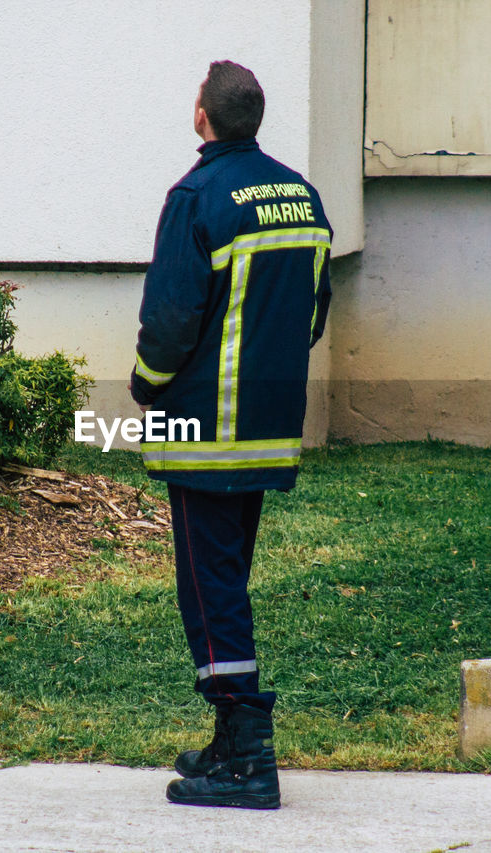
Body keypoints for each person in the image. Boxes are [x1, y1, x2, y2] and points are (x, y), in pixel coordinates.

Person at [128, 60, 331, 810]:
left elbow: (172, 317)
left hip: (204, 432)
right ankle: (228, 742)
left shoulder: (197, 197)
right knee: (228, 580)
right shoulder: (300, 196)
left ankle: (248, 756)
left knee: (210, 592)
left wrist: (147, 386)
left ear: (202, 116)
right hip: (267, 430)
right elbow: (315, 311)